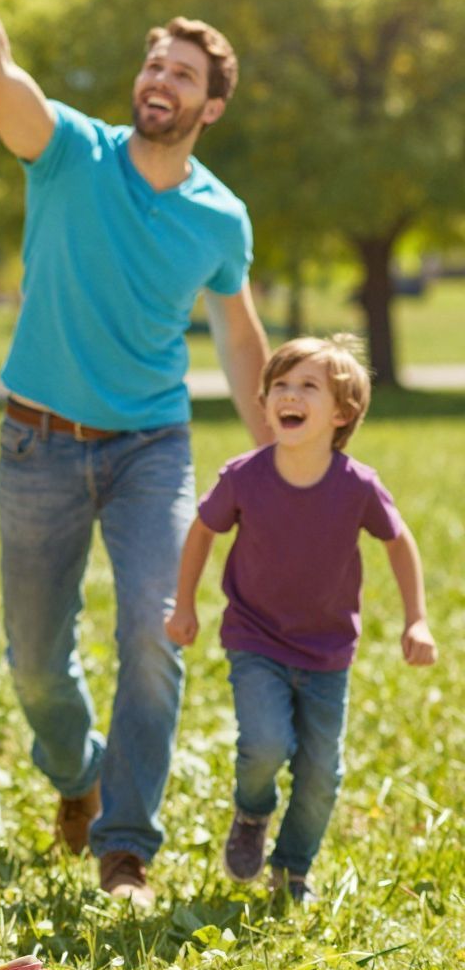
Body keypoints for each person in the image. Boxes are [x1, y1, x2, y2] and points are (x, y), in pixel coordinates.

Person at [0, 0, 269, 911]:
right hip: (36, 442)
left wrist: (283, 466)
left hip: (150, 450)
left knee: (154, 637)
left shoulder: (221, 219)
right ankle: (76, 775)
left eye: (183, 71)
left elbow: (243, 343)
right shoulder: (70, 153)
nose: (159, 77)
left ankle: (126, 843)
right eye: (153, 61)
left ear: (210, 105)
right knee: (36, 664)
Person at [165, 335, 437, 903]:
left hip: (327, 652)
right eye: (279, 386)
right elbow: (202, 532)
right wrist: (184, 603)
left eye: (307, 386)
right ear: (265, 404)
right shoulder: (244, 475)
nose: (288, 395)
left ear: (341, 413)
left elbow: (400, 541)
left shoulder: (357, 486)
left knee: (320, 777)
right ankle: (252, 811)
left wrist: (417, 620)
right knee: (264, 745)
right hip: (255, 639)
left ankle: (293, 870)